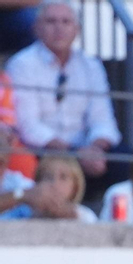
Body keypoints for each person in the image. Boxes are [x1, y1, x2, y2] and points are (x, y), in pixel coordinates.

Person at [6, 2, 119, 185]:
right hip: (43, 150)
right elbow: (28, 126)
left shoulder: (91, 66)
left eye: (66, 22)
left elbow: (103, 120)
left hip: (87, 151)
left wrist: (95, 148)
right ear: (37, 28)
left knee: (125, 158)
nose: (59, 28)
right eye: (51, 21)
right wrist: (75, 152)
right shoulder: (21, 64)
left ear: (77, 30)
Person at [0, 151, 93, 220]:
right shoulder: (22, 212)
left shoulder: (84, 215)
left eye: (63, 177)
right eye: (48, 177)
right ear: (38, 182)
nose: (54, 183)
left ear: (75, 186)